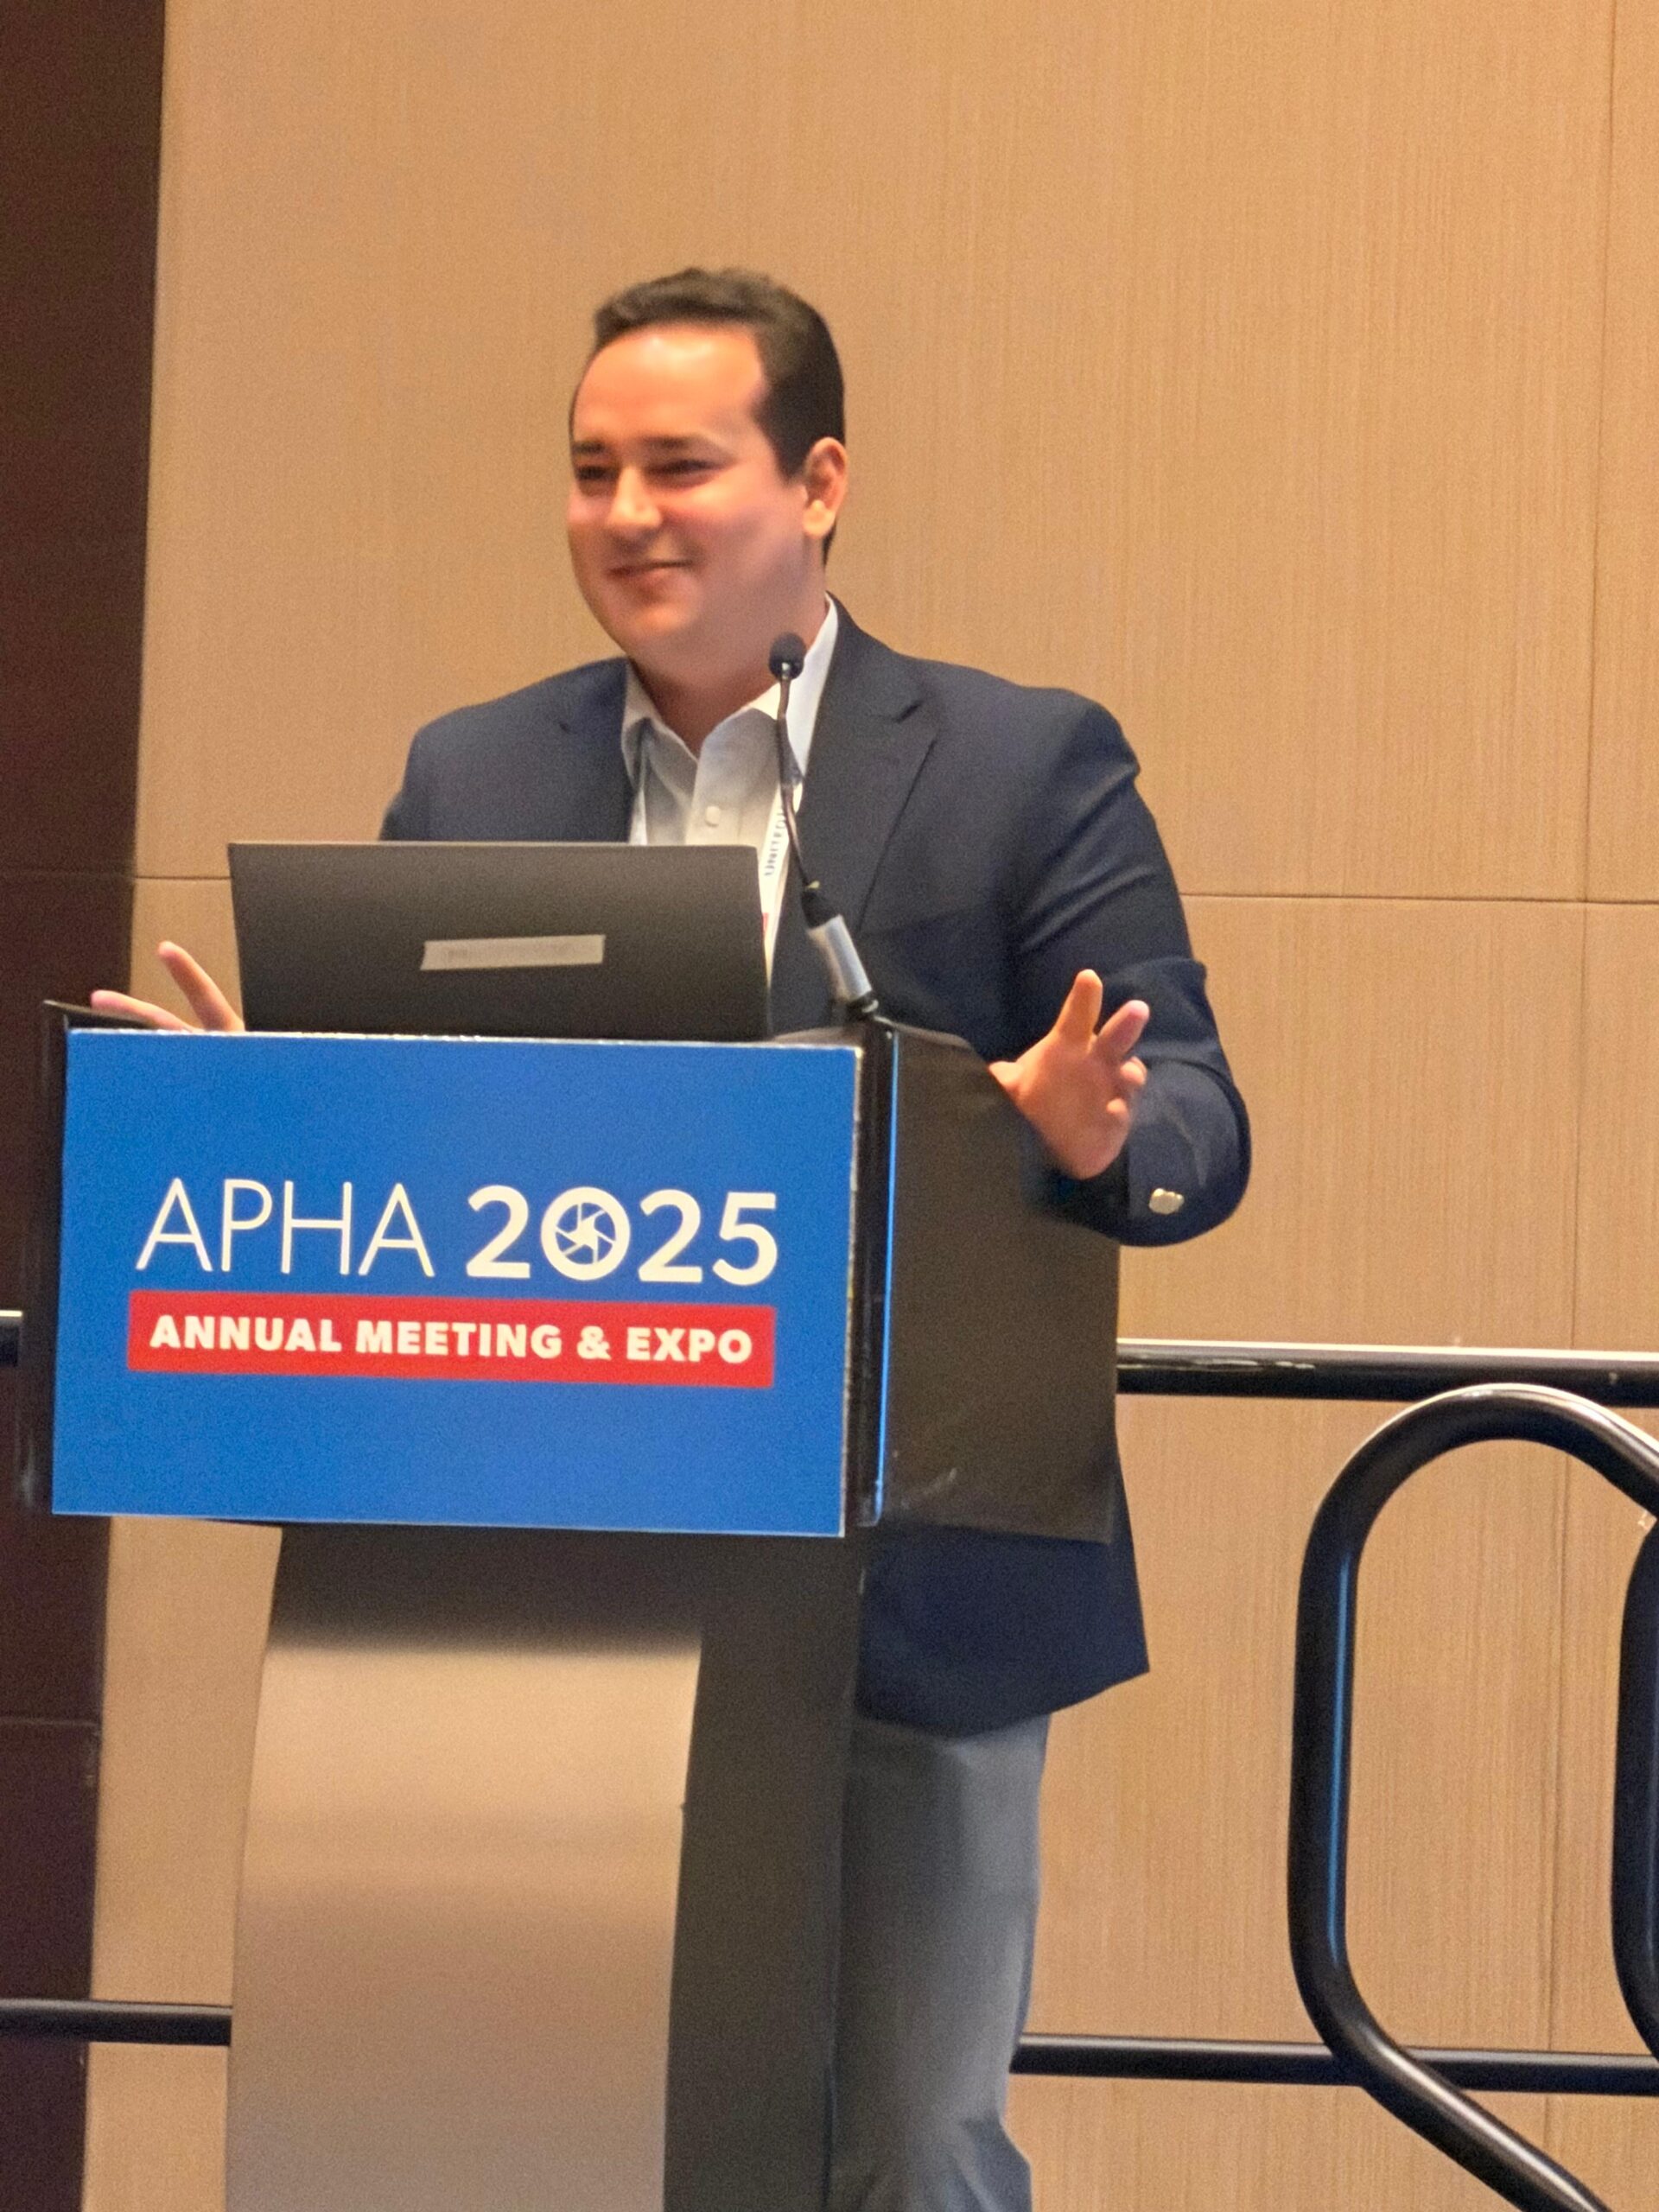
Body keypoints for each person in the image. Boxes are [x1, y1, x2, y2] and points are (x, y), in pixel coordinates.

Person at [98, 267, 1249, 2212]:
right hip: (543, 1591)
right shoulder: (475, 773)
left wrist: (1088, 1132)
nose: (627, 513)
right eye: (591, 470)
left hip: (911, 1588)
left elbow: (1200, 1116)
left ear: (820, 484)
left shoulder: (1016, 762)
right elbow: (418, 1142)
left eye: (682, 466)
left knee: (905, 2145)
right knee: (560, 2144)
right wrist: (253, 1116)